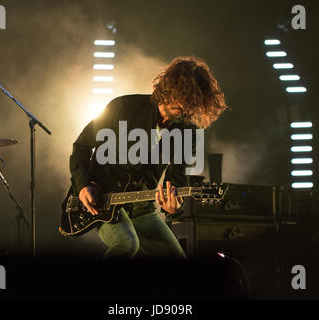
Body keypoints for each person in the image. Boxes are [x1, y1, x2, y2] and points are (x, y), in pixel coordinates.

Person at [70, 56, 228, 259]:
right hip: (102, 200)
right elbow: (81, 146)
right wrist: (83, 185)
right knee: (126, 244)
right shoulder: (123, 107)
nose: (183, 106)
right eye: (182, 96)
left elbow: (177, 181)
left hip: (141, 208)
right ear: (169, 86)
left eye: (191, 103)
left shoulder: (187, 132)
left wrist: (173, 208)